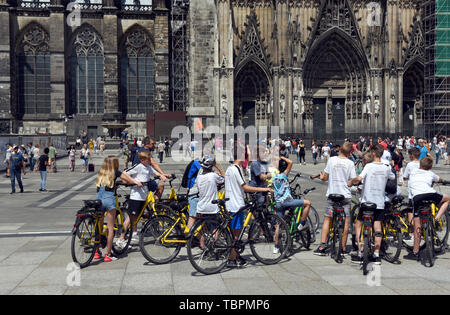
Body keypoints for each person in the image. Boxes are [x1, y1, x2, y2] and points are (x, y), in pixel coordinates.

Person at [225, 144, 272, 267]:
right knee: (236, 234)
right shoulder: (236, 169)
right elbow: (245, 187)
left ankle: (236, 256)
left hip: (231, 204)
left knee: (236, 233)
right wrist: (263, 189)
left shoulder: (229, 169)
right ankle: (231, 260)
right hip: (236, 205)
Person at [347, 144, 396, 265]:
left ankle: (361, 251)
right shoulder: (386, 167)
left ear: (373, 153)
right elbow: (392, 177)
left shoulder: (369, 166)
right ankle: (376, 254)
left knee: (358, 224)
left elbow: (359, 179)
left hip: (367, 201)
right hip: (379, 202)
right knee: (377, 226)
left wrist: (350, 182)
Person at [94, 156, 142, 262]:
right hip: (109, 198)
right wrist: (136, 182)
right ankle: (108, 254)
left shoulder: (101, 172)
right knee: (111, 228)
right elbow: (128, 178)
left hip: (99, 198)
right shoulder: (115, 171)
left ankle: (96, 252)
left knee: (99, 226)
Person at [313, 142, 356, 257]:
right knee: (346, 221)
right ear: (350, 152)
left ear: (340, 149)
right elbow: (352, 181)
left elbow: (325, 177)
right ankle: (342, 248)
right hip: (345, 196)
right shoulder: (350, 163)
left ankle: (322, 246)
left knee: (327, 219)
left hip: (332, 195)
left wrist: (322, 177)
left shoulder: (331, 160)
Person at [403, 157, 450, 261]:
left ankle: (415, 252)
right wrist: (444, 181)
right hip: (431, 194)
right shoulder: (431, 174)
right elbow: (440, 179)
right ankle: (437, 218)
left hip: (417, 198)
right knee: (447, 199)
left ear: (420, 165)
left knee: (417, 226)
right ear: (430, 167)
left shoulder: (414, 171)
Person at [117, 150, 166, 248]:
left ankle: (127, 236)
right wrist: (135, 181)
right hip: (136, 197)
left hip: (144, 196)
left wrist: (162, 175)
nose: (149, 161)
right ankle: (121, 239)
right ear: (142, 160)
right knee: (130, 218)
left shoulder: (148, 167)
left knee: (135, 218)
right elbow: (124, 173)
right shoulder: (138, 167)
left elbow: (154, 173)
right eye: (148, 159)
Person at [273, 156, 312, 254]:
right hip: (287, 201)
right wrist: (281, 157)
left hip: (278, 203)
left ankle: (276, 246)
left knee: (278, 225)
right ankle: (301, 225)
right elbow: (290, 162)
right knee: (307, 203)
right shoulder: (284, 175)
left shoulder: (275, 177)